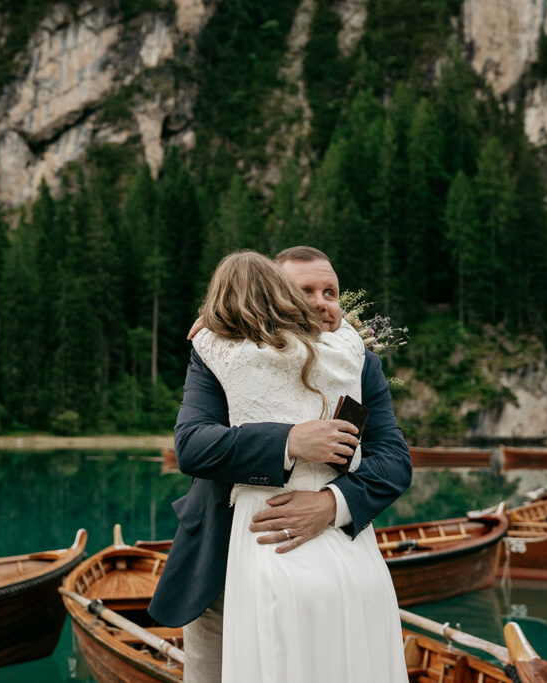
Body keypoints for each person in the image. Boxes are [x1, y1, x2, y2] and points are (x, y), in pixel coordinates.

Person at [149, 246, 411, 682]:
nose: (320, 302)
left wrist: (332, 504)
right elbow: (193, 446)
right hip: (219, 561)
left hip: (331, 558)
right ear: (271, 296)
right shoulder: (219, 351)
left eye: (331, 291)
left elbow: (393, 461)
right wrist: (290, 442)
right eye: (304, 290)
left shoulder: (359, 363)